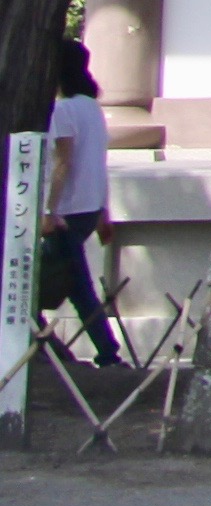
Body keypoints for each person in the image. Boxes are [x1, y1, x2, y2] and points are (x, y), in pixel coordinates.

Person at [40, 38, 128, 369]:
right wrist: (103, 211)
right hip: (88, 210)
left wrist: (49, 211)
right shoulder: (92, 108)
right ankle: (81, 353)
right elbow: (98, 162)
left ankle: (98, 353)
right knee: (71, 286)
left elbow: (63, 162)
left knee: (65, 288)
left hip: (66, 213)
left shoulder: (63, 110)